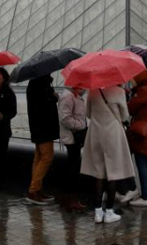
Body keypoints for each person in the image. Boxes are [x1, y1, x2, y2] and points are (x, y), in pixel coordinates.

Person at [81, 85, 135, 225]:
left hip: (96, 134)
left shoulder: (92, 91)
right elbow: (124, 116)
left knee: (99, 173)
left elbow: (88, 114)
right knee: (114, 172)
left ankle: (98, 211)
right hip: (113, 135)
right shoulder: (119, 92)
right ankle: (109, 211)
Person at [25, 74, 60, 205]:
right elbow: (42, 104)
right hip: (43, 126)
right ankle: (33, 190)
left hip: (38, 126)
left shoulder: (35, 83)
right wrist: (53, 97)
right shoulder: (39, 84)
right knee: (47, 157)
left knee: (39, 158)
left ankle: (37, 189)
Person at [127, 72, 147, 207]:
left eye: (133, 78)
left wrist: (129, 96)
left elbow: (130, 108)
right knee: (145, 162)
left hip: (142, 134)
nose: (131, 80)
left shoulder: (142, 91)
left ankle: (145, 196)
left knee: (141, 163)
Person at [58, 83, 87, 211]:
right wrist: (80, 125)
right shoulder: (68, 96)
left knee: (73, 167)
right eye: (81, 84)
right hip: (72, 137)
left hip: (75, 136)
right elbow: (65, 118)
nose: (84, 87)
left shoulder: (75, 95)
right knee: (73, 168)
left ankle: (67, 198)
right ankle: (69, 199)